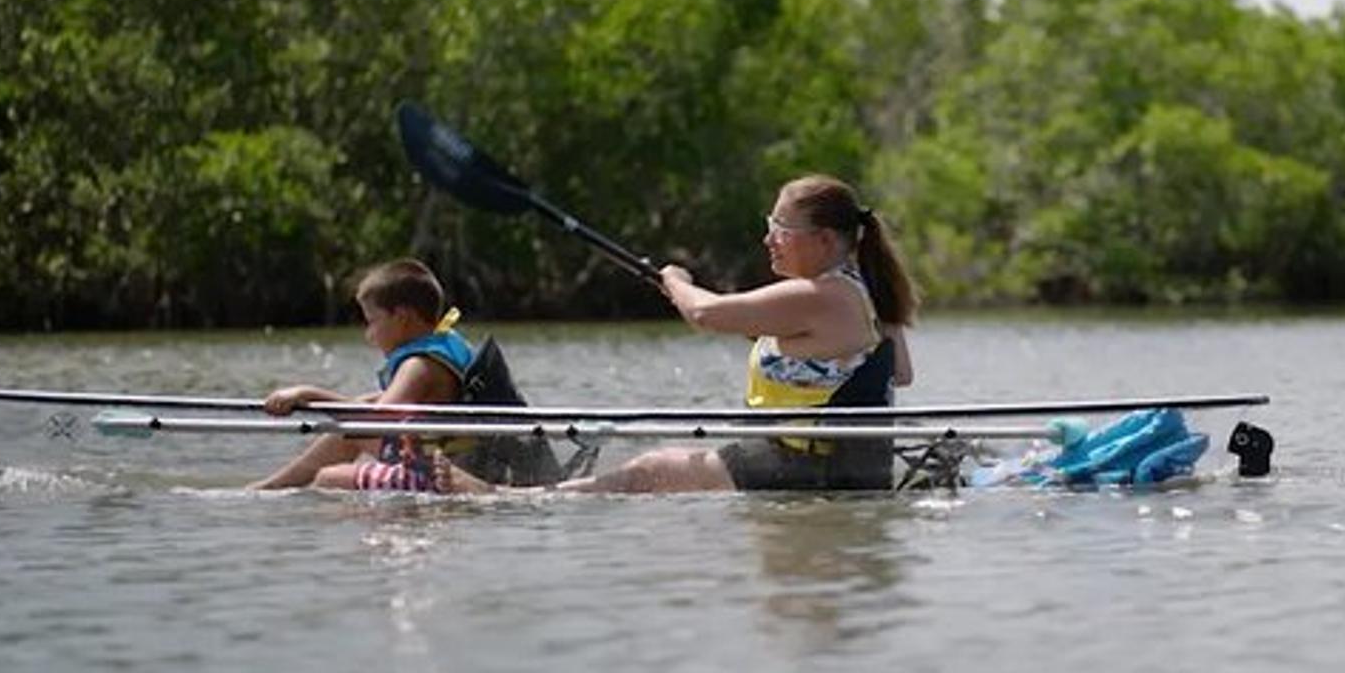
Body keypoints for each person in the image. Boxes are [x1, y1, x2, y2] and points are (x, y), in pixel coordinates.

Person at [441, 174, 918, 494]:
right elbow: (896, 372)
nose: (767, 238)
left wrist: (677, 282)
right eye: (768, 225)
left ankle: (525, 501)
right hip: (834, 464)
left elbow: (707, 314)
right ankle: (543, 496)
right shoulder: (862, 290)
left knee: (650, 471)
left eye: (780, 228)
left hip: (810, 470)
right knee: (659, 472)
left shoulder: (821, 294)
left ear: (825, 241)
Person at [249, 259, 554, 491]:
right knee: (366, 402)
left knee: (329, 478)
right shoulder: (442, 344)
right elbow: (376, 412)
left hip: (438, 470)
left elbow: (370, 424)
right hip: (450, 450)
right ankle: (271, 487)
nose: (368, 334)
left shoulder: (417, 366)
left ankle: (269, 489)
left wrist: (308, 394)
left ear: (403, 317)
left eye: (372, 322)